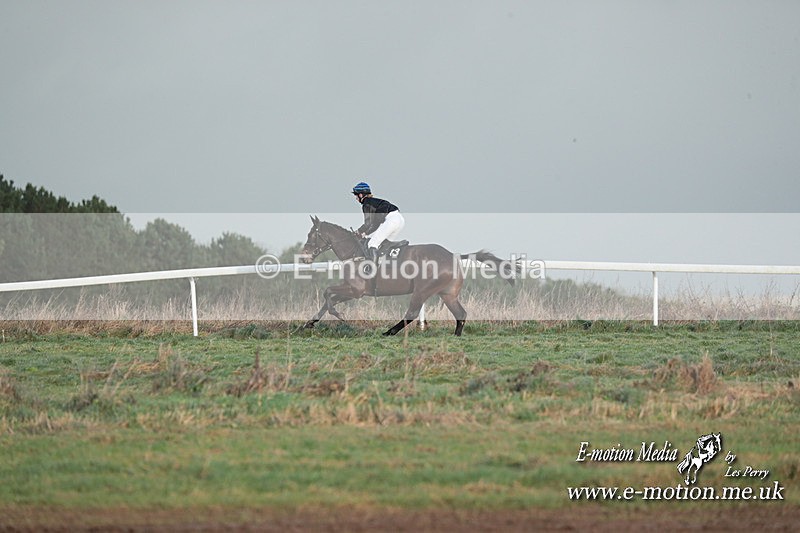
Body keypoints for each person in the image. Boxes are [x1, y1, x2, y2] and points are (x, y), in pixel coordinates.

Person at [352, 181, 405, 264]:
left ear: (361, 195)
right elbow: (375, 224)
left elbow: (368, 224)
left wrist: (358, 231)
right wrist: (366, 233)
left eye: (356, 195)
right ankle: (384, 266)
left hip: (391, 221)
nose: (356, 198)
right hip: (400, 220)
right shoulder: (374, 202)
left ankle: (372, 270)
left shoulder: (367, 204)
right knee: (384, 245)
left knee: (372, 244)